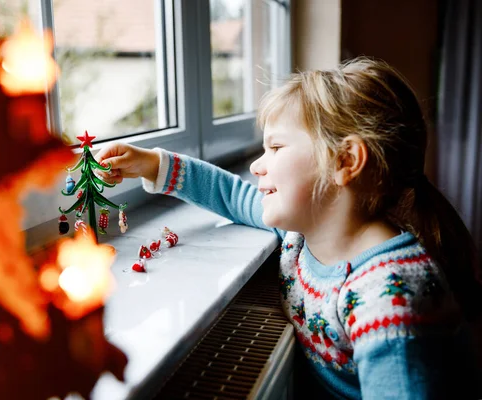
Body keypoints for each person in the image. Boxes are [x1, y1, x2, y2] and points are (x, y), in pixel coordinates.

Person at [95, 57, 482, 399]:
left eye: (276, 148)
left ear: (345, 161)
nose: (257, 166)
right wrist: (153, 164)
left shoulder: (388, 300)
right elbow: (232, 195)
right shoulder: (307, 233)